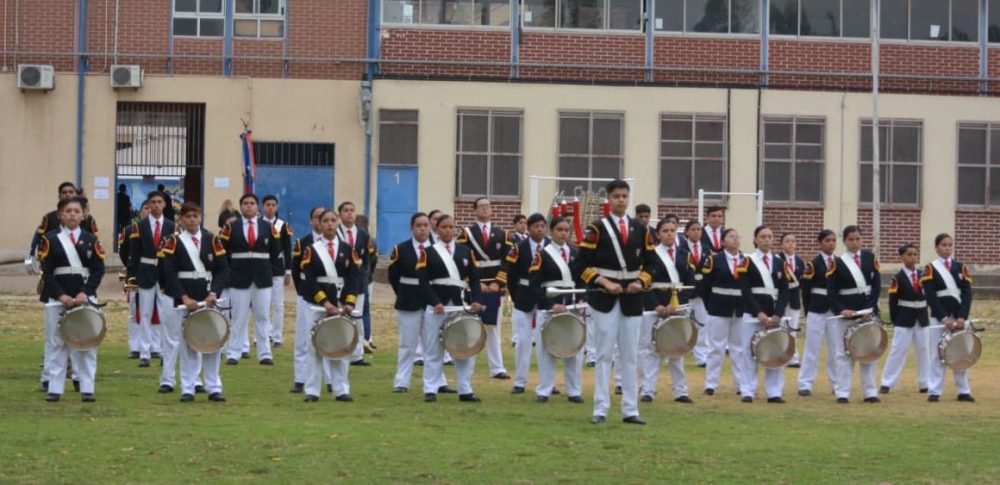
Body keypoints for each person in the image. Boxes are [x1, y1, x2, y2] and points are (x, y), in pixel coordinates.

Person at [576, 179, 654, 425]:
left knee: (630, 355)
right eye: (617, 196)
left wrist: (640, 281)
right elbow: (580, 264)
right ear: (608, 199)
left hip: (632, 298)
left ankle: (630, 409)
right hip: (604, 298)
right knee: (604, 355)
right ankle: (600, 408)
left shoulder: (639, 228)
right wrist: (603, 282)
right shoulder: (597, 228)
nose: (621, 200)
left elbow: (653, 264)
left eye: (624, 196)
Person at [38, 196, 106, 402]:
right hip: (58, 298)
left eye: (77, 211)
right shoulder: (49, 239)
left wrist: (85, 292)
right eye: (68, 211)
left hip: (84, 298)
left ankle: (87, 388)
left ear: (83, 214)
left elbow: (98, 270)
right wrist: (61, 295)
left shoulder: (91, 240)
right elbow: (47, 273)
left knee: (87, 342)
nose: (73, 215)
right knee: (58, 343)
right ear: (60, 215)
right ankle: (55, 388)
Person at [159, 202, 229, 402]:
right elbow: (169, 272)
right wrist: (183, 296)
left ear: (200, 218)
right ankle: (188, 388)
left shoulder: (212, 240)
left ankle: (213, 386)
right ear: (181, 219)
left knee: (212, 342)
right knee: (188, 343)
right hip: (185, 297)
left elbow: (222, 269)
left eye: (195, 216)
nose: (191, 220)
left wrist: (213, 293)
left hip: (208, 296)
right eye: (187, 216)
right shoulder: (173, 241)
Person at [417, 214, 484, 403]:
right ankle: (430, 388)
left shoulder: (465, 251)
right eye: (444, 227)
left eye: (451, 227)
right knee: (433, 348)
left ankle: (465, 389)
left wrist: (476, 300)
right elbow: (422, 282)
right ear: (437, 230)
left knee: (463, 348)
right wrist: (434, 302)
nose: (448, 230)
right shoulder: (428, 252)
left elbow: (475, 280)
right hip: (437, 306)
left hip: (459, 304)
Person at [638, 219, 696, 404]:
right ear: (658, 234)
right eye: (665, 230)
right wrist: (656, 306)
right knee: (651, 350)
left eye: (672, 230)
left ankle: (680, 391)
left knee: (677, 350)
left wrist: (678, 304)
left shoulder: (684, 254)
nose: (670, 233)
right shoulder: (651, 255)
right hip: (655, 306)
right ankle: (648, 390)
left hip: (677, 307)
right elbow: (644, 284)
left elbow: (690, 284)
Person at [220, 193, 281, 366]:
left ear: (257, 207)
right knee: (238, 316)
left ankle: (265, 353)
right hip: (239, 277)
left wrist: (273, 273)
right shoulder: (232, 227)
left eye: (252, 203)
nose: (249, 206)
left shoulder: (267, 227)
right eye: (245, 203)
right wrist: (229, 273)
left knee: (262, 316)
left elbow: (275, 253)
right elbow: (223, 252)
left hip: (262, 278)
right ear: (241, 207)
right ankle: (234, 352)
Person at [528, 216, 584, 404]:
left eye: (566, 230)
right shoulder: (542, 255)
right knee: (546, 351)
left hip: (572, 307)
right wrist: (551, 305)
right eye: (559, 229)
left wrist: (582, 302)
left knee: (574, 350)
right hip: (550, 308)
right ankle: (544, 389)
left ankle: (574, 390)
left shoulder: (577, 253)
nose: (563, 233)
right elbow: (534, 286)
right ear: (551, 232)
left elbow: (584, 280)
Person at [457, 197, 511, 380]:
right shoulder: (466, 234)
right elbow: (461, 259)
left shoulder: (502, 234)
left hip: (495, 287)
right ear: (474, 211)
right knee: (472, 328)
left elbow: (508, 261)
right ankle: (468, 368)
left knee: (493, 328)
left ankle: (497, 368)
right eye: (482, 206)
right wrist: (474, 282)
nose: (486, 209)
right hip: (475, 286)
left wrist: (498, 282)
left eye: (488, 206)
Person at [826, 225, 881, 404]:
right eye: (851, 239)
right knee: (844, 354)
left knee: (868, 353)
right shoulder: (837, 262)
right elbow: (831, 292)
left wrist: (869, 309)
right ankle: (842, 392)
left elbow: (876, 287)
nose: (855, 242)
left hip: (866, 313)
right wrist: (841, 310)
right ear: (845, 241)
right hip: (846, 314)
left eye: (858, 238)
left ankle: (870, 392)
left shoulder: (870, 258)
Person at [739, 225, 790, 404]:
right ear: (755, 240)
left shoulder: (779, 262)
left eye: (770, 236)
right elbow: (745, 290)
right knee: (748, 352)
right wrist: (758, 312)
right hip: (753, 313)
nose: (767, 240)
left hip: (774, 314)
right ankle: (747, 390)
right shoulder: (747, 261)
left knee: (775, 352)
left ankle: (774, 392)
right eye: (763, 236)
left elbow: (785, 290)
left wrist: (777, 314)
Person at [921, 233, 975, 403]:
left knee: (961, 352)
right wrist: (944, 317)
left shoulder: (960, 267)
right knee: (938, 353)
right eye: (943, 245)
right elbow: (931, 296)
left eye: (950, 245)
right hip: (940, 317)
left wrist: (961, 317)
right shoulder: (930, 268)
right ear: (937, 247)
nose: (947, 248)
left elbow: (966, 294)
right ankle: (935, 390)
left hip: (958, 317)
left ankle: (963, 390)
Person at [501, 213, 549, 395]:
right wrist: (515, 295)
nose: (539, 229)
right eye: (536, 226)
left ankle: (547, 382)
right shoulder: (518, 248)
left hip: (545, 296)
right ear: (528, 229)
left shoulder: (551, 247)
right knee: (523, 341)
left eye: (542, 226)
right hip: (524, 296)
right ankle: (520, 382)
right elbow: (511, 275)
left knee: (546, 341)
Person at [128, 191, 175, 372]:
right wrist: (134, 275)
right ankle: (145, 353)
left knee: (165, 313)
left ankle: (163, 351)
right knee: (145, 313)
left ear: (164, 205)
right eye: (152, 202)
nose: (156, 205)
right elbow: (135, 252)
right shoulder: (139, 226)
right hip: (146, 271)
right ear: (148, 204)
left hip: (164, 273)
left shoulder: (172, 226)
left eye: (159, 202)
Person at [700, 228, 747, 398]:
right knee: (716, 348)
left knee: (738, 349)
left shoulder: (745, 260)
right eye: (731, 237)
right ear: (723, 241)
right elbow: (705, 286)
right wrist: (710, 306)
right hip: (718, 308)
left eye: (737, 236)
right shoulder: (714, 260)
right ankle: (711, 384)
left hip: (740, 310)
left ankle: (741, 384)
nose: (735, 239)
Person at [879, 243, 929, 395]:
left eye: (915, 254)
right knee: (898, 350)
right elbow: (893, 301)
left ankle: (924, 383)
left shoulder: (923, 275)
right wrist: (895, 319)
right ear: (902, 257)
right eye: (909, 254)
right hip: (904, 318)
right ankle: (887, 382)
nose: (913, 257)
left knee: (924, 350)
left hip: (921, 317)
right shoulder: (898, 278)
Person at [797, 229, 840, 397]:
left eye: (833, 240)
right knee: (812, 348)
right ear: (820, 243)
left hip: (835, 311)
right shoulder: (813, 264)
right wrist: (808, 311)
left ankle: (837, 383)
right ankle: (805, 383)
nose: (831, 243)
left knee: (836, 348)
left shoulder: (840, 262)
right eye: (828, 240)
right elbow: (806, 290)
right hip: (817, 308)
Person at [288, 206, 325, 394]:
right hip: (307, 295)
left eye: (325, 218)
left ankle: (330, 379)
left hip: (330, 297)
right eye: (317, 218)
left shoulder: (337, 244)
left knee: (329, 336)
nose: (321, 222)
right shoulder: (302, 244)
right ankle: (300, 378)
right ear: (311, 220)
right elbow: (296, 271)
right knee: (303, 337)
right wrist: (302, 291)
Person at [337, 201, 375, 366]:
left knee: (357, 317)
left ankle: (357, 355)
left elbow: (368, 258)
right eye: (346, 210)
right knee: (339, 316)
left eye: (352, 210)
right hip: (338, 280)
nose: (349, 213)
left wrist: (364, 276)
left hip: (358, 281)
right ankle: (339, 349)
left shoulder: (363, 234)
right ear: (340, 214)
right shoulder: (335, 233)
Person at [118, 201, 151, 359]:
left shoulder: (164, 229)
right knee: (134, 312)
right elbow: (124, 253)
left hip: (154, 275)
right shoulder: (129, 230)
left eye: (152, 208)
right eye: (146, 208)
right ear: (140, 212)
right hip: (134, 275)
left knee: (153, 313)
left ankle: (153, 345)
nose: (149, 211)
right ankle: (135, 346)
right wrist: (131, 267)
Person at [261, 195, 293, 349]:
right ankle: (262, 333)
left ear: (277, 207)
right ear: (263, 206)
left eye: (273, 205)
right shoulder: (258, 223)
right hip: (260, 266)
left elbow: (287, 249)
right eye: (267, 204)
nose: (270, 208)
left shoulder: (282, 225)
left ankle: (277, 335)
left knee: (277, 304)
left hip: (277, 268)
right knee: (261, 303)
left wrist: (288, 271)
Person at [681, 220, 712, 367]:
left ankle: (702, 357)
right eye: (693, 229)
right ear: (686, 232)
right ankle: (675, 350)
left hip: (702, 291)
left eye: (699, 229)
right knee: (682, 324)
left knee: (702, 323)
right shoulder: (681, 248)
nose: (696, 232)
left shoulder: (706, 249)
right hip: (685, 291)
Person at [778, 233, 804, 368]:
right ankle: (780, 355)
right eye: (787, 241)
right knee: (780, 328)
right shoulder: (777, 259)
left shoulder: (800, 262)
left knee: (792, 328)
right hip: (779, 298)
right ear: (782, 244)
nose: (790, 244)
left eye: (793, 241)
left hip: (793, 298)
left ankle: (793, 357)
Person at [356, 214, 378, 350]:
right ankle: (367, 338)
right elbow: (373, 261)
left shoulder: (367, 240)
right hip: (367, 278)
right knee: (365, 310)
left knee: (361, 309)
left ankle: (364, 338)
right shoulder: (371, 240)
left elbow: (372, 259)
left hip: (364, 277)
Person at [115, 184, 133, 249]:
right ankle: (123, 246)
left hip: (116, 217)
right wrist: (129, 218)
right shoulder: (127, 197)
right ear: (125, 189)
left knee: (116, 232)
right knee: (124, 233)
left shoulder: (116, 196)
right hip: (125, 218)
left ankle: (115, 246)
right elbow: (128, 208)